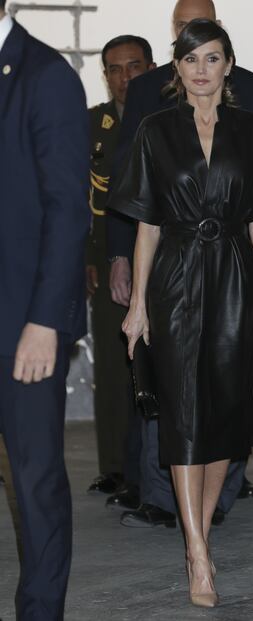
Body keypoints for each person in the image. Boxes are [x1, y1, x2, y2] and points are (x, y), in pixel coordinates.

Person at [109, 18, 253, 608]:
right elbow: (144, 224)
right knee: (183, 412)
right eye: (190, 60)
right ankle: (197, 548)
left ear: (227, 65)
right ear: (178, 68)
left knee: (226, 412)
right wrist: (139, 303)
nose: (200, 70)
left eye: (211, 59)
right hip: (173, 278)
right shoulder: (154, 130)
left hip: (236, 280)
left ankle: (203, 523)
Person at [0, 2, 89, 619]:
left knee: (33, 482)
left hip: (19, 321)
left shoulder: (44, 73)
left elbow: (67, 210)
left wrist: (45, 322)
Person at [87, 35, 156, 502]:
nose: (125, 77)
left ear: (152, 67)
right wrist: (87, 261)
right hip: (109, 266)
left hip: (164, 262)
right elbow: (79, 200)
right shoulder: (91, 124)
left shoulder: (165, 118)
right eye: (115, 68)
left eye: (134, 66)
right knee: (114, 371)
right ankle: (114, 466)